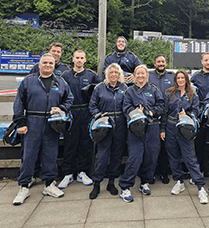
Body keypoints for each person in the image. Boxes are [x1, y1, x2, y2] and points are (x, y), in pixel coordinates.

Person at [12, 53, 74, 205]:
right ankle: (24, 186)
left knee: (50, 155)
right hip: (32, 122)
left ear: (54, 65)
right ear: (39, 65)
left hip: (52, 123)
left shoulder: (60, 82)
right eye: (44, 63)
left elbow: (69, 98)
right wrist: (20, 123)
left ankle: (49, 184)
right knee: (29, 155)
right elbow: (19, 102)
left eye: (50, 63)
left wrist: (61, 108)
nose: (47, 65)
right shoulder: (29, 81)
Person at [160, 70, 208, 204]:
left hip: (185, 127)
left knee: (190, 157)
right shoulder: (169, 93)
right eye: (178, 78)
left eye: (183, 78)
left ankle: (200, 187)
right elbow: (164, 112)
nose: (180, 80)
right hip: (170, 126)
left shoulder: (193, 94)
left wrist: (187, 113)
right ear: (175, 80)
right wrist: (162, 129)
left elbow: (196, 110)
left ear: (186, 79)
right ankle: (179, 181)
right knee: (173, 156)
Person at [119, 65, 164, 203]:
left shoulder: (154, 89)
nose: (140, 76)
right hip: (136, 129)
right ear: (134, 75)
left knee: (151, 156)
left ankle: (145, 182)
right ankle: (125, 187)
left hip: (152, 127)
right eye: (138, 73)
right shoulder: (129, 91)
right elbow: (126, 107)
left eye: (143, 73)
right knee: (135, 157)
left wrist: (151, 112)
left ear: (146, 75)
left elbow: (161, 106)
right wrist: (136, 112)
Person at [58, 50, 102, 189]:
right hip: (71, 113)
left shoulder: (92, 75)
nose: (79, 60)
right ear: (72, 59)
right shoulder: (65, 75)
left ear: (85, 60)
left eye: (82, 58)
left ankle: (83, 172)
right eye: (77, 57)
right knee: (70, 144)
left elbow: (101, 90)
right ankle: (68, 173)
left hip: (86, 112)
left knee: (85, 143)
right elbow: (59, 93)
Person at [88, 63, 128, 199]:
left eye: (116, 73)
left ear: (120, 74)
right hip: (104, 125)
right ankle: (97, 183)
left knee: (117, 155)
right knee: (102, 155)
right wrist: (98, 115)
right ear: (107, 74)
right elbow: (92, 105)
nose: (114, 75)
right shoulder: (99, 88)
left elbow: (128, 105)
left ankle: (111, 182)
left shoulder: (124, 88)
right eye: (111, 72)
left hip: (120, 124)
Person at [148, 54, 174, 184]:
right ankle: (150, 173)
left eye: (163, 61)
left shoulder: (171, 76)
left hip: (168, 116)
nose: (161, 64)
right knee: (152, 147)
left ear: (166, 64)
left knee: (165, 146)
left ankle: (164, 172)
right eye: (158, 61)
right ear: (154, 64)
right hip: (152, 115)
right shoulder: (149, 76)